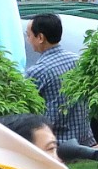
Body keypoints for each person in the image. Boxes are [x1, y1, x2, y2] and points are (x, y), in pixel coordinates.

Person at [22, 14, 92, 149]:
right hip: (85, 139)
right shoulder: (78, 60)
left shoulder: (37, 71)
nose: (28, 39)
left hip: (57, 145)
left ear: (40, 38)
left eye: (29, 35)